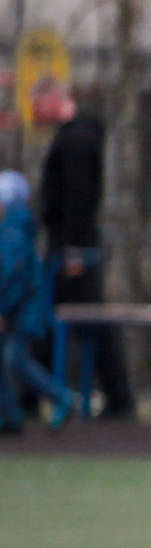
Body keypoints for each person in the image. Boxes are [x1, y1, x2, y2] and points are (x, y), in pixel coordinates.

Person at [32, 80, 135, 421]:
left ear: (53, 100)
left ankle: (117, 398)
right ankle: (31, 396)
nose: (34, 115)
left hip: (71, 247)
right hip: (69, 244)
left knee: (84, 320)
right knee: (55, 321)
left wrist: (74, 249)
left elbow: (79, 197)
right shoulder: (75, 137)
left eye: (37, 106)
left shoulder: (75, 141)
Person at [0, 170, 74, 433]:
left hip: (20, 310)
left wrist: (3, 310)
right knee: (9, 358)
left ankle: (60, 397)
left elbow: (13, 277)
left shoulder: (12, 232)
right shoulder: (14, 228)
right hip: (19, 308)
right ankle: (10, 414)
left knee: (14, 359)